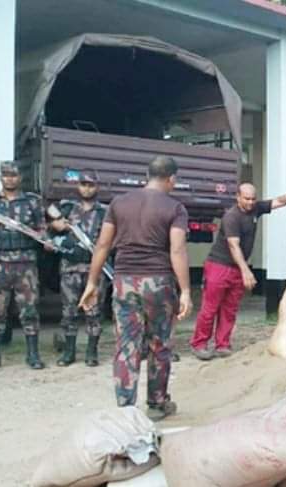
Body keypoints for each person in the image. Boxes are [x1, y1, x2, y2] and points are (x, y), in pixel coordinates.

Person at [79, 155, 192, 421]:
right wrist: (186, 290)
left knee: (126, 344)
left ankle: (125, 408)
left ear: (148, 175)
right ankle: (156, 403)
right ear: (171, 179)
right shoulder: (175, 208)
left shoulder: (119, 203)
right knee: (159, 344)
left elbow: (103, 246)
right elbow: (177, 250)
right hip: (158, 281)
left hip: (123, 280)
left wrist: (92, 282)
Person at [190, 183, 286, 360]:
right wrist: (246, 271)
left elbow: (279, 201)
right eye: (246, 199)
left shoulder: (255, 209)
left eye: (253, 199)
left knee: (230, 309)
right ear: (238, 197)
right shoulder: (231, 217)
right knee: (210, 308)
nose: (251, 202)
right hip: (219, 266)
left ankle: (223, 344)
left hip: (237, 268)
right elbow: (233, 245)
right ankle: (199, 344)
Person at [0, 161, 48, 372]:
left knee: (29, 310)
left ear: (20, 177)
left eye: (13, 175)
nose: (10, 179)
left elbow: (42, 231)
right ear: (0, 177)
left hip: (25, 265)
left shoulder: (32, 202)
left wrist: (47, 241)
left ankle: (33, 355)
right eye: (6, 175)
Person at [48, 170, 108, 367]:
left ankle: (91, 352)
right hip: (70, 268)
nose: (87, 188)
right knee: (69, 312)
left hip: (95, 269)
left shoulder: (104, 212)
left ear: (97, 187)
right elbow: (48, 226)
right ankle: (69, 351)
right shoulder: (66, 209)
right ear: (78, 186)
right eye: (84, 184)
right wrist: (56, 226)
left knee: (94, 312)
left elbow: (112, 239)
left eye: (91, 185)